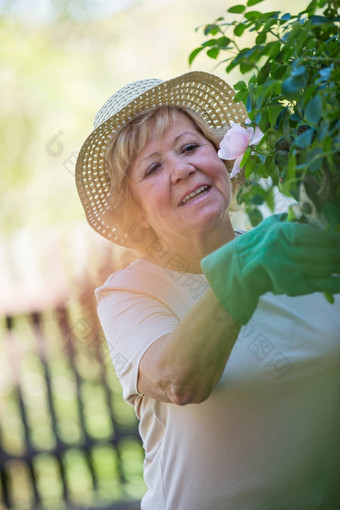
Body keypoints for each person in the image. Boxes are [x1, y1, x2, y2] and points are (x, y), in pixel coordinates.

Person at [75, 71, 340, 509]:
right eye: (154, 168)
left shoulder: (289, 245)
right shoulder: (130, 292)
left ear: (222, 159)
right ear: (136, 213)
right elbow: (179, 380)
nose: (182, 169)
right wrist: (246, 269)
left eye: (190, 147)